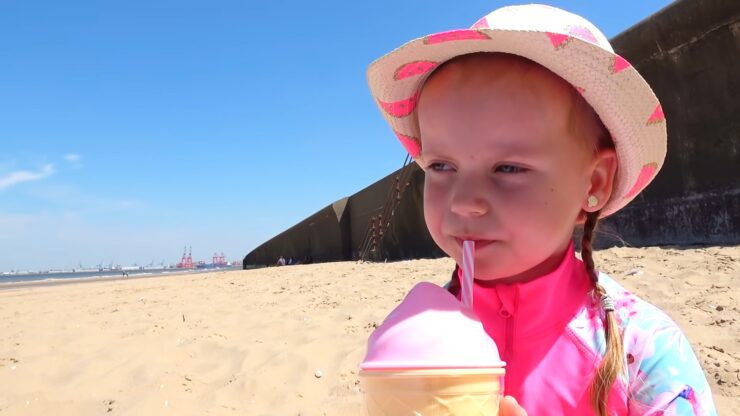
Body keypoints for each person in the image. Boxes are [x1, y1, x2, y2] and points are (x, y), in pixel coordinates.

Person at [367, 4, 716, 415]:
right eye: (442, 166)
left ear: (595, 183)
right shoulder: (413, 337)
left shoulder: (643, 353)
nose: (463, 201)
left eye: (508, 167)